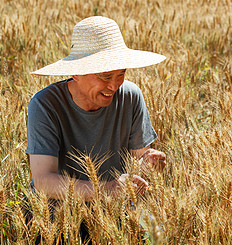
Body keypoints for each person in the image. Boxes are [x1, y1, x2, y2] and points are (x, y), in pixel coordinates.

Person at [27, 16, 167, 201]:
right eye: (105, 76)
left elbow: (139, 162)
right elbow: (43, 180)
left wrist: (149, 165)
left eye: (121, 74)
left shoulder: (131, 96)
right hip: (59, 215)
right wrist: (107, 189)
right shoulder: (45, 104)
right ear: (76, 72)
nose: (114, 85)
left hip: (116, 212)